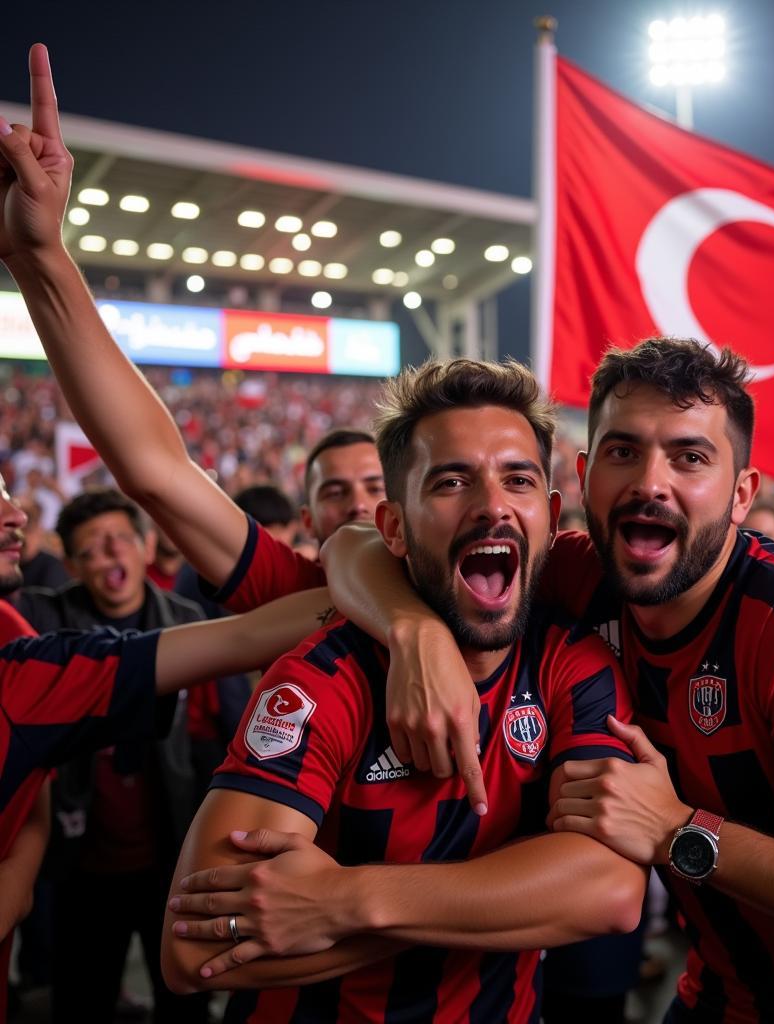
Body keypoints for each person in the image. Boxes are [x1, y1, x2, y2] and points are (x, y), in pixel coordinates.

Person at [322, 339, 774, 1021]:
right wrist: (412, 631)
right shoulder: (580, 574)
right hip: (720, 994)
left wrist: (677, 830)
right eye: (623, 451)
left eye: (690, 457)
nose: (649, 483)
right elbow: (354, 545)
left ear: (742, 494)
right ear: (583, 475)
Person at [0, 41, 491, 813]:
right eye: (337, 496)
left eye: (375, 486)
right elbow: (156, 472)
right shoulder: (300, 593)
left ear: (408, 503)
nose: (359, 508)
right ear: (308, 521)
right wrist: (40, 258)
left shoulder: (533, 601)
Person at [160, 359, 646, 1022]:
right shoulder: (322, 679)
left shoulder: (575, 663)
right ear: (393, 528)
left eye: (518, 479)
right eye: (451, 481)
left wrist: (347, 901)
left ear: (551, 516)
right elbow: (191, 953)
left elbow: (611, 892)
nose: (492, 504)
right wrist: (510, 899)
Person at [0, 471, 338, 1018]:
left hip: (168, 857)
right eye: (89, 548)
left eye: (121, 539)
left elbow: (241, 660)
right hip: (82, 868)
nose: (16, 514)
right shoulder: (33, 631)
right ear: (72, 566)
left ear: (148, 545)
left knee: (182, 999)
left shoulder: (179, 624)